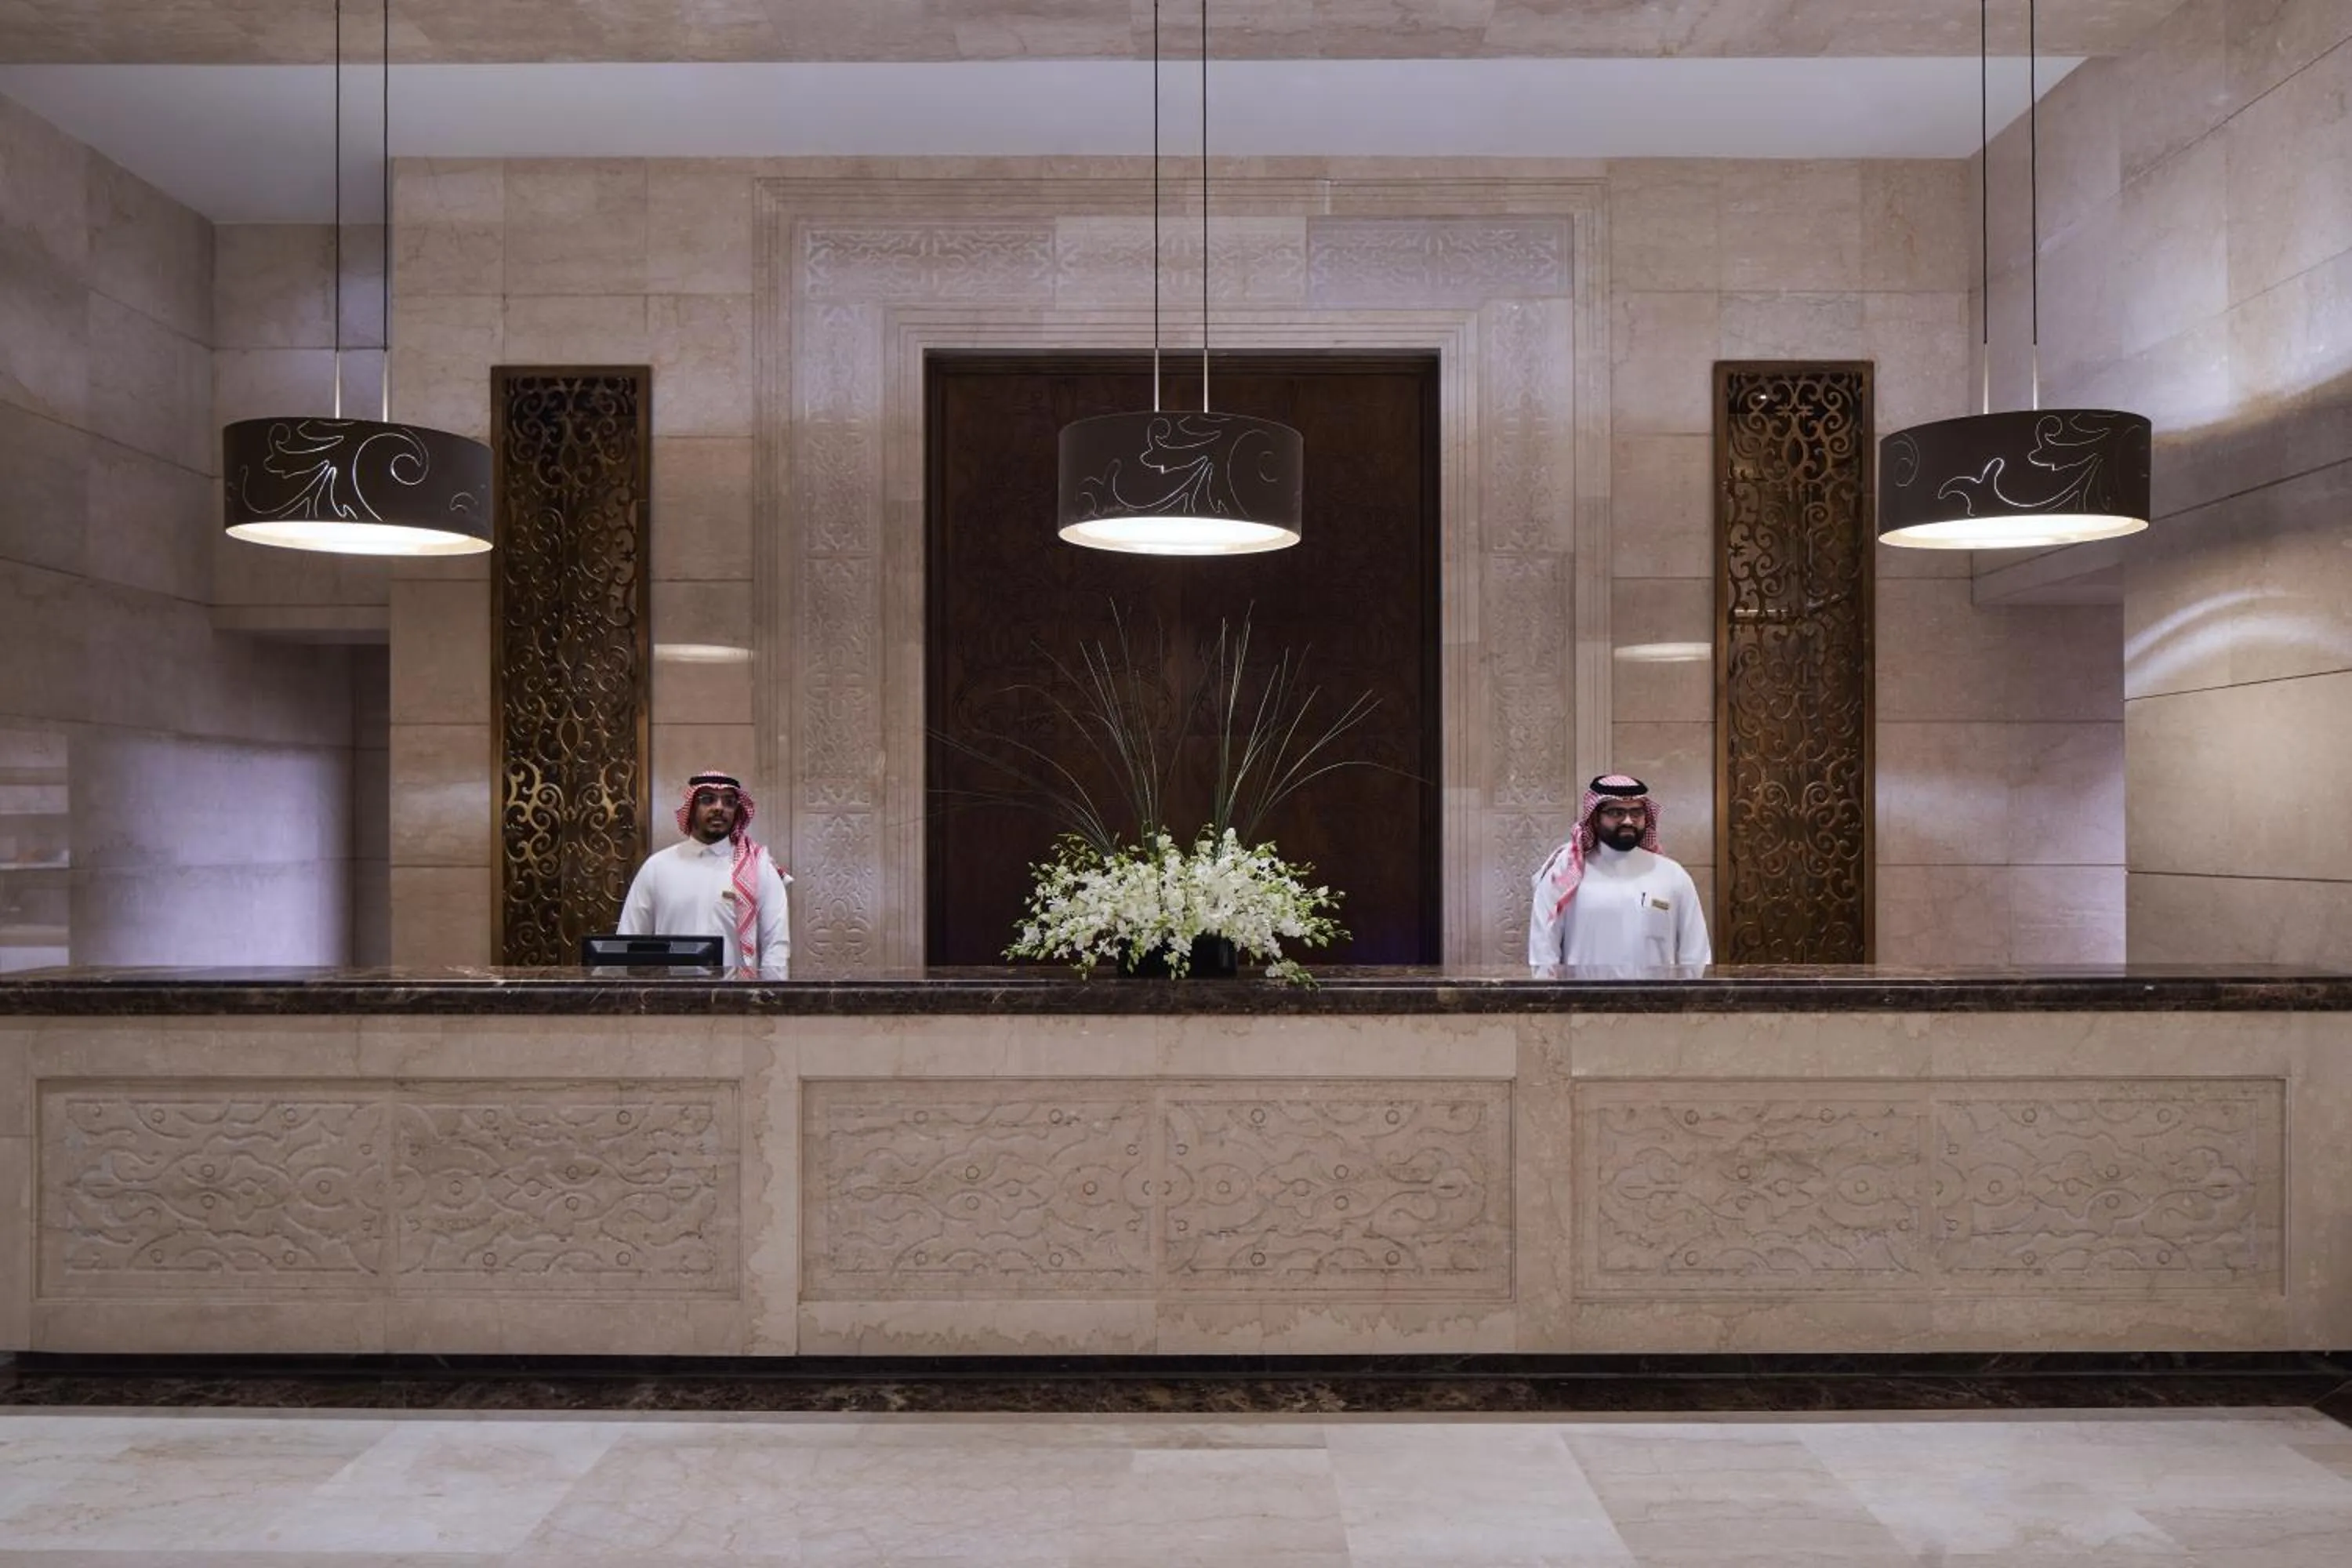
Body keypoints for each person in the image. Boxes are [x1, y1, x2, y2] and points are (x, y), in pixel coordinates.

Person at [1527, 773, 1711, 975]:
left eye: (1636, 812)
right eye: (1616, 813)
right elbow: (1543, 952)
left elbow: (1695, 954)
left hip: (1655, 994)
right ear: (1595, 818)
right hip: (1583, 994)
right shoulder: (1564, 875)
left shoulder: (1672, 875)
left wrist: (1686, 994)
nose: (1628, 821)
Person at [617, 770, 791, 974]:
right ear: (691, 807)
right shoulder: (657, 867)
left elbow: (776, 946)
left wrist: (771, 992)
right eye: (708, 799)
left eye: (729, 802)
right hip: (669, 991)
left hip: (736, 991)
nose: (719, 808)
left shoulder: (758, 867)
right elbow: (629, 940)